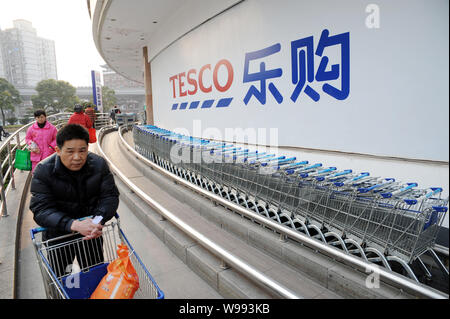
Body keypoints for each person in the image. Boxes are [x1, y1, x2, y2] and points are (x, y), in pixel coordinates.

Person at [29, 124, 120, 278]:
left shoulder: (99, 164)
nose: (77, 157)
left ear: (88, 148)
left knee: (93, 274)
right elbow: (41, 210)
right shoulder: (43, 170)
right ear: (58, 150)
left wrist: (96, 221)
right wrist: (74, 225)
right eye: (70, 151)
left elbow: (109, 197)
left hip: (91, 234)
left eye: (82, 151)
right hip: (59, 237)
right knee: (62, 277)